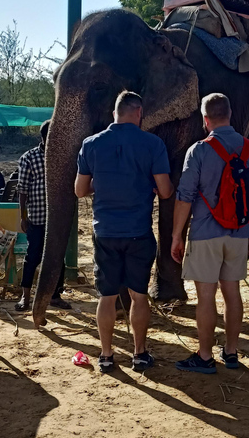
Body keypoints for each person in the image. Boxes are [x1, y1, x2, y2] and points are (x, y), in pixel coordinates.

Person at [75, 91, 174, 373]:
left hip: (104, 232)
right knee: (139, 295)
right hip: (138, 232)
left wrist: (101, 186)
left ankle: (106, 356)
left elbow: (80, 190)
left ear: (114, 113)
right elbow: (166, 191)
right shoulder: (153, 144)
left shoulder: (91, 144)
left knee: (106, 296)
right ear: (139, 112)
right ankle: (139, 354)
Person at [171, 93, 249, 374]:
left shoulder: (198, 150)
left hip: (205, 232)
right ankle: (232, 351)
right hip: (238, 232)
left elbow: (185, 196)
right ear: (231, 113)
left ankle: (204, 356)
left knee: (206, 296)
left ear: (205, 119)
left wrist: (177, 235)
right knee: (232, 292)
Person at [16, 120, 71, 311]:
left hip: (57, 219)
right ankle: (26, 297)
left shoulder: (63, 157)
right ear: (44, 137)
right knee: (33, 256)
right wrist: (23, 217)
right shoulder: (29, 158)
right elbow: (22, 190)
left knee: (58, 257)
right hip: (37, 218)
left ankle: (55, 296)